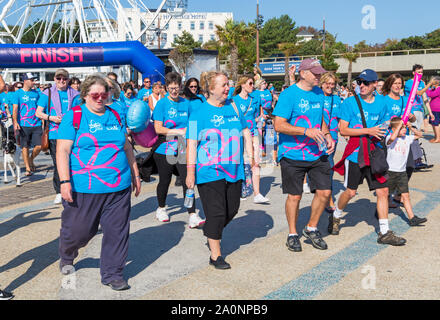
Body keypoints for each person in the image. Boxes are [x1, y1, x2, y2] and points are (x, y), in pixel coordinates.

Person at [56, 74, 141, 291]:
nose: (100, 98)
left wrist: (135, 173)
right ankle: (67, 253)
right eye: (95, 94)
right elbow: (63, 150)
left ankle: (113, 273)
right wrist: (65, 181)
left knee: (117, 231)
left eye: (105, 94)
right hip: (84, 187)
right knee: (78, 232)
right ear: (85, 95)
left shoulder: (116, 114)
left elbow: (126, 146)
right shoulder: (74, 116)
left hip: (118, 186)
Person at [186, 71, 254, 269]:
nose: (228, 88)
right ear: (211, 89)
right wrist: (190, 173)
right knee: (216, 212)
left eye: (228, 84)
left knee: (232, 209)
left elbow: (244, 131)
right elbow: (191, 144)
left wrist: (251, 156)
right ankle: (215, 255)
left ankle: (211, 231)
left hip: (234, 168)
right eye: (223, 85)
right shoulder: (199, 113)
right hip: (208, 169)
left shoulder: (233, 107)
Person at [331, 69, 406, 246]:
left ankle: (384, 231)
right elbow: (343, 130)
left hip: (375, 153)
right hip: (356, 154)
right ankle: (336, 215)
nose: (361, 86)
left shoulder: (382, 102)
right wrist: (368, 131)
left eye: (365, 83)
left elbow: (385, 125)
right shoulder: (349, 102)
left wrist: (391, 133)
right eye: (359, 82)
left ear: (374, 85)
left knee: (383, 191)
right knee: (350, 192)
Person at [273, 58, 335, 252]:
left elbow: (321, 120)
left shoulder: (319, 93)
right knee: (295, 196)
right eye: (315, 73)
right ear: (303, 73)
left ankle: (311, 227)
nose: (319, 76)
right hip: (292, 153)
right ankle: (292, 233)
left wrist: (327, 134)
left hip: (317, 152)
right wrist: (305, 131)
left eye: (320, 72)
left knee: (325, 192)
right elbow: (278, 125)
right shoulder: (288, 95)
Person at [152, 72, 205, 228]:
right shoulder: (162, 104)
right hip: (164, 148)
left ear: (181, 87)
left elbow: (193, 123)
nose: (174, 91)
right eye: (171, 88)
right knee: (165, 180)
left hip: (183, 148)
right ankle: (161, 208)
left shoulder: (186, 103)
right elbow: (158, 129)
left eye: (176, 88)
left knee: (188, 181)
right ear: (166, 88)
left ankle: (192, 213)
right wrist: (179, 131)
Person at [36, 69, 81, 204]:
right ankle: (58, 191)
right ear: (54, 79)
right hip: (54, 133)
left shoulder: (75, 94)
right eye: (58, 78)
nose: (61, 81)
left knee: (72, 161)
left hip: (71, 133)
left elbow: (80, 112)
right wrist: (52, 118)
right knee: (58, 163)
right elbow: (38, 113)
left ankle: (73, 186)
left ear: (68, 80)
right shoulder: (47, 93)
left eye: (64, 78)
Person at [233, 76, 270, 204]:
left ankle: (257, 194)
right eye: (250, 83)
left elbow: (257, 115)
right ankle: (240, 189)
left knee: (256, 162)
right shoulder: (233, 100)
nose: (252, 86)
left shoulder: (254, 99)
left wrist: (261, 119)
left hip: (254, 133)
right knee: (240, 163)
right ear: (242, 84)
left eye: (253, 83)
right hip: (239, 135)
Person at [386, 117, 427, 226]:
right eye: (402, 128)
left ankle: (412, 218)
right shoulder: (390, 138)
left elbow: (419, 135)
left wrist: (410, 127)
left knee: (406, 195)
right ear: (395, 129)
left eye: (404, 128)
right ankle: (380, 213)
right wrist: (398, 126)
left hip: (402, 172)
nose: (404, 130)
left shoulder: (407, 138)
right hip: (390, 172)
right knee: (385, 195)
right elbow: (392, 137)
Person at [319, 72, 342, 215]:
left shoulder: (337, 99)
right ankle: (327, 198)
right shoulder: (316, 97)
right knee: (324, 166)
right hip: (318, 137)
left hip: (333, 138)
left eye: (332, 83)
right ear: (321, 83)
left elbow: (340, 120)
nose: (330, 86)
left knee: (328, 166)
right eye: (327, 83)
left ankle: (326, 196)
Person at [12, 73, 42, 176]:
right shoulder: (17, 94)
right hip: (23, 124)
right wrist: (15, 122)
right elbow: (15, 109)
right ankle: (28, 168)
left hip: (36, 123)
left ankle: (31, 158)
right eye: (32, 80)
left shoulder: (36, 93)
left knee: (39, 146)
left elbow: (40, 107)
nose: (34, 82)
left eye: (34, 80)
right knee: (25, 146)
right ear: (25, 81)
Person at [418, 76, 440, 142]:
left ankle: (438, 138)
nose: (431, 82)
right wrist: (426, 87)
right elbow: (430, 92)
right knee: (433, 124)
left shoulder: (439, 89)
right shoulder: (434, 89)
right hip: (433, 109)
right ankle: (436, 136)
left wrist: (425, 88)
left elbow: (430, 94)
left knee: (436, 124)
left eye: (432, 81)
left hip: (437, 109)